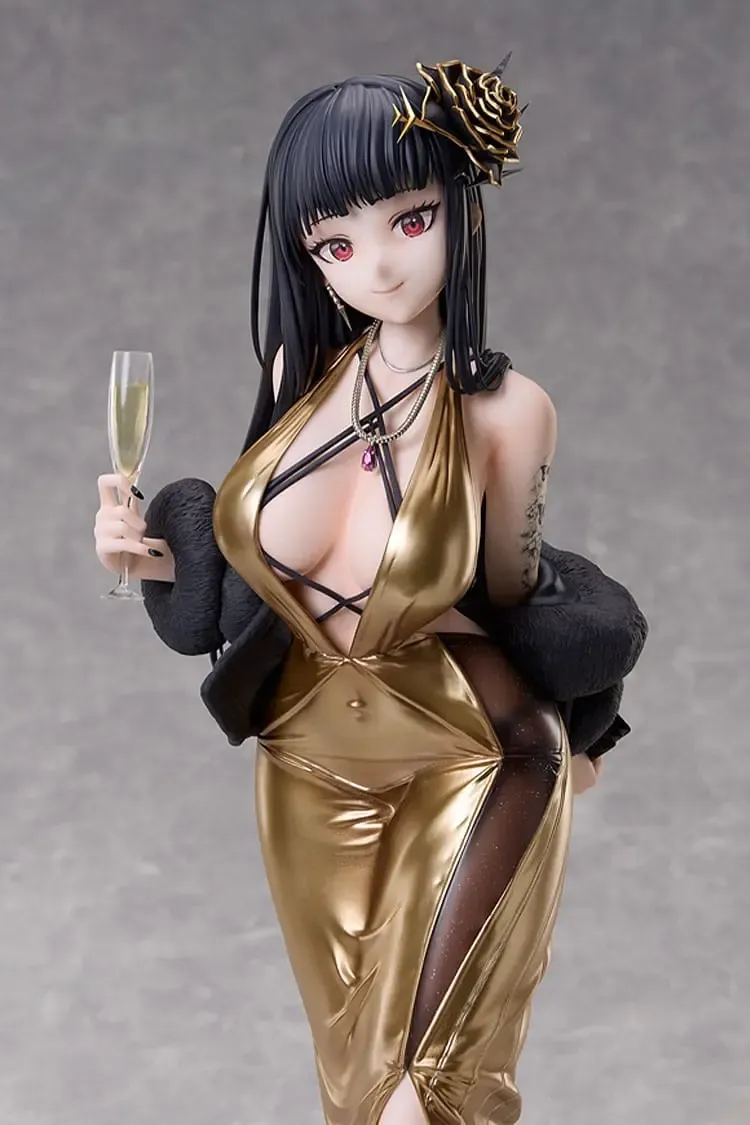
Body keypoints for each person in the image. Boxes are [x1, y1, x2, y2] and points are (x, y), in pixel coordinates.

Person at [94, 58, 647, 1125]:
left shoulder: (507, 411)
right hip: (303, 760)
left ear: (463, 211)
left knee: (425, 1092)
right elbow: (254, 573)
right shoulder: (298, 379)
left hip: (469, 748)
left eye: (410, 220)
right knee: (354, 1094)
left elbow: (520, 597)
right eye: (335, 244)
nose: (378, 265)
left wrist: (585, 734)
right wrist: (148, 558)